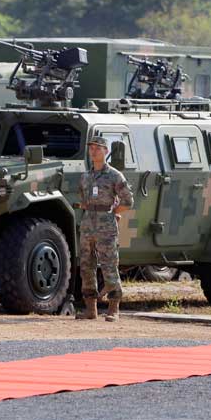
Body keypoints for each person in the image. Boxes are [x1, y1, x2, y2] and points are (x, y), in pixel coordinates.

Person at [77, 135, 134, 321]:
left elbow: (128, 200)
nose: (93, 151)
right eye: (91, 148)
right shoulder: (86, 176)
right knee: (86, 266)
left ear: (106, 151)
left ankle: (113, 308)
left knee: (109, 265)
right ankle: (90, 309)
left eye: (98, 148)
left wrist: (112, 213)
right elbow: (82, 201)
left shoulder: (114, 175)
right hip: (87, 226)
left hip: (106, 226)